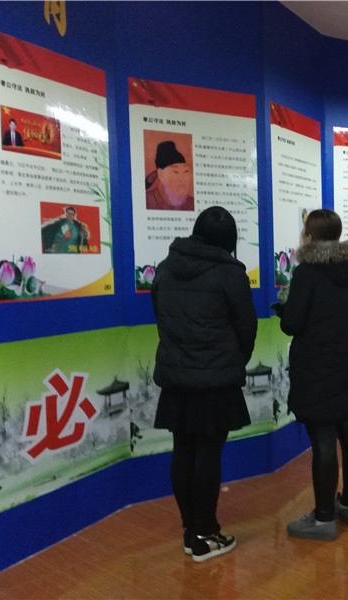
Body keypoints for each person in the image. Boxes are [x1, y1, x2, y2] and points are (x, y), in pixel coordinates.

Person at [151, 206, 257, 562]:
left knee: (183, 450)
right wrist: (234, 360)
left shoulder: (165, 268)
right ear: (229, 240)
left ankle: (189, 530)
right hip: (215, 380)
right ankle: (205, 533)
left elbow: (161, 318)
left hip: (177, 378)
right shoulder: (231, 273)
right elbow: (246, 327)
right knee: (209, 453)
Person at [275, 208, 348, 541]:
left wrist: (284, 309)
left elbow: (292, 323)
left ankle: (323, 518)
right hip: (346, 361)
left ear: (310, 236)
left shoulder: (307, 272)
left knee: (324, 441)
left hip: (315, 367)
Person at [145, 140, 194, 211]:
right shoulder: (147, 200)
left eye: (186, 171)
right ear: (161, 174)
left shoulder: (192, 203)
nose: (182, 179)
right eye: (176, 172)